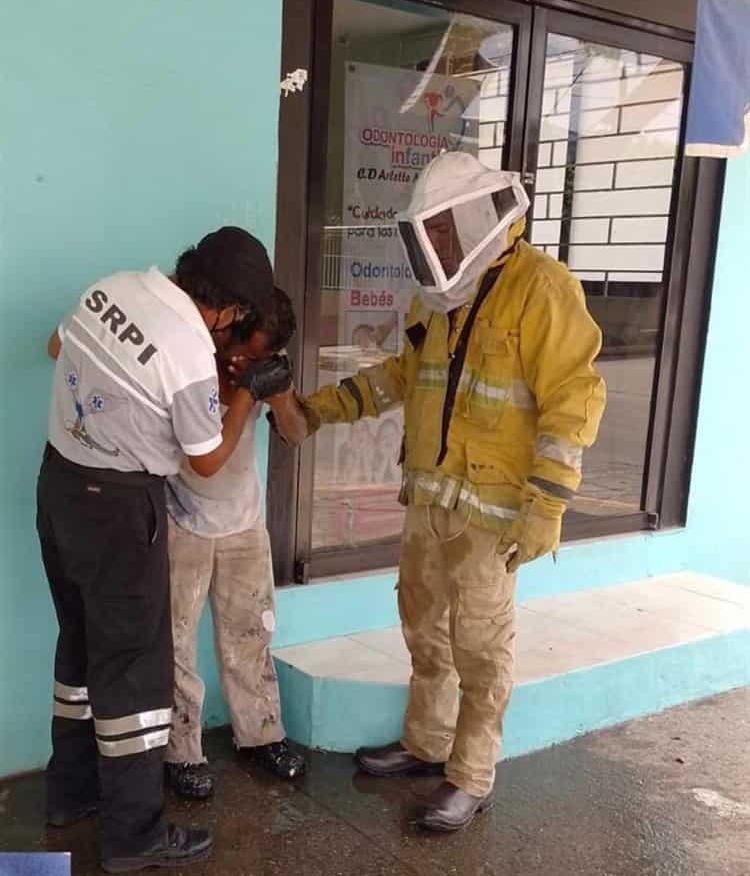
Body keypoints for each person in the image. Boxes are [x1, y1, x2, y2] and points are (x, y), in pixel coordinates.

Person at [297, 152, 606, 833]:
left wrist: (548, 502)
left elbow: (574, 399)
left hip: (493, 515)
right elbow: (402, 376)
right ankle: (425, 741)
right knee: (423, 627)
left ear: (474, 218)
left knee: (480, 646)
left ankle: (470, 775)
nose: (433, 244)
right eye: (427, 232)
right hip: (431, 502)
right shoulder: (437, 300)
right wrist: (320, 408)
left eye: (442, 229)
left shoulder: (543, 290)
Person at [38, 226, 288, 872]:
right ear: (231, 310)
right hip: (119, 508)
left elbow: (54, 345)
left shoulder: (112, 287)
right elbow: (204, 460)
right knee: (134, 671)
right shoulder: (184, 345)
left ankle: (70, 793)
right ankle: (133, 834)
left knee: (81, 648)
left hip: (59, 484)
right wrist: (243, 399)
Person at [163, 287, 307, 800]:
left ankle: (261, 734)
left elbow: (296, 431)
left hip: (244, 523)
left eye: (261, 356)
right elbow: (205, 454)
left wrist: (280, 392)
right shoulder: (193, 360)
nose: (247, 361)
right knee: (174, 641)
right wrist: (243, 393)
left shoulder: (262, 373)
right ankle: (180, 751)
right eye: (244, 350)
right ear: (228, 331)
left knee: (250, 634)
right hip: (181, 518)